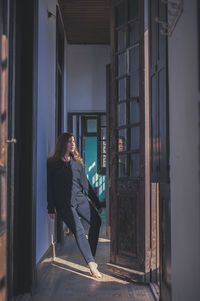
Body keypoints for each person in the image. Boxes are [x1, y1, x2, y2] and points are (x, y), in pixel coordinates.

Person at [47, 132, 104, 278]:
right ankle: (91, 264)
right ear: (62, 144)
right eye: (69, 142)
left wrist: (97, 203)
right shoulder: (52, 164)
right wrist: (51, 207)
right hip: (64, 205)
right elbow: (50, 187)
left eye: (73, 141)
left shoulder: (77, 164)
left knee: (97, 221)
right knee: (79, 231)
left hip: (79, 199)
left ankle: (90, 253)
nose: (72, 144)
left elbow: (86, 186)